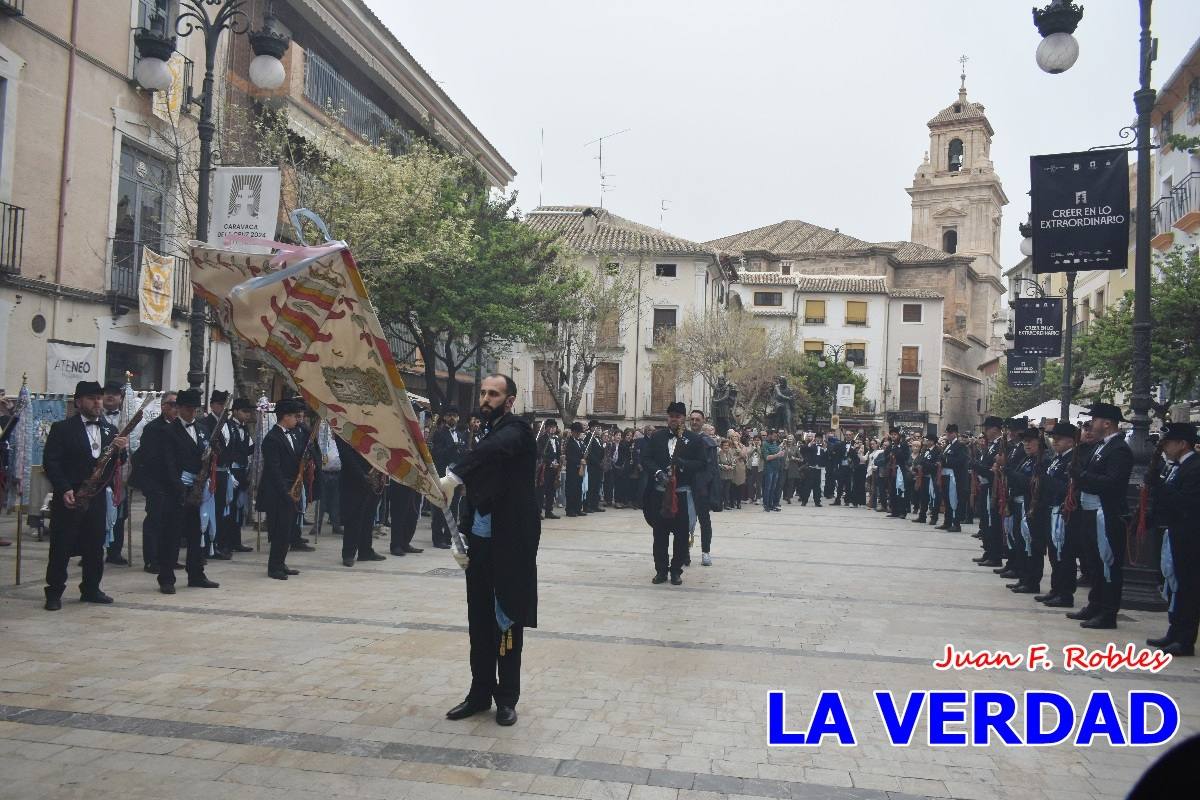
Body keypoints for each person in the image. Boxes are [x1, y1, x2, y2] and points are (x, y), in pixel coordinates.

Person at [440, 374, 540, 728]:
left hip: (510, 548)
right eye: (483, 393)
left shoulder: (517, 431)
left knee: (507, 621)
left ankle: (507, 699)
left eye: (493, 394)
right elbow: (479, 491)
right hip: (480, 546)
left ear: (509, 399)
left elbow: (493, 451)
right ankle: (479, 693)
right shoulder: (482, 434)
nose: (485, 399)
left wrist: (453, 476)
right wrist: (460, 538)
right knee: (479, 622)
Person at [41, 381, 129, 610]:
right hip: (70, 494)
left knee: (95, 544)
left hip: (97, 495)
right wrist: (64, 489)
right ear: (79, 402)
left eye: (99, 398)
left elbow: (117, 464)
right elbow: (51, 463)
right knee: (61, 545)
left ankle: (91, 588)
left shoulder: (110, 429)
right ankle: (54, 593)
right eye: (91, 398)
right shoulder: (62, 429)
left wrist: (121, 450)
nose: (97, 402)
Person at [1065, 403, 1133, 630]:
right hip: (1090, 511)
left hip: (1107, 514)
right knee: (1093, 561)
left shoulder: (1119, 449)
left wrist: (1082, 476)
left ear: (1107, 423)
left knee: (1108, 564)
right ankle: (1095, 604)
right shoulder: (1100, 447)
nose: (1090, 425)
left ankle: (1108, 612)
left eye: (1094, 420)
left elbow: (1112, 483)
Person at [158, 389, 220, 593]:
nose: (192, 412)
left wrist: (213, 455)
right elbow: (167, 463)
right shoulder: (168, 431)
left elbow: (207, 455)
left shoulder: (202, 429)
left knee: (197, 534)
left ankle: (196, 573)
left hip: (198, 488)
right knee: (172, 535)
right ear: (178, 408)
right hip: (176, 489)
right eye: (188, 409)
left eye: (195, 409)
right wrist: (179, 487)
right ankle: (166, 578)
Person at [1147, 422, 1200, 656]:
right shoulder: (1174, 466)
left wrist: (1159, 486)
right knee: (1174, 583)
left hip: (1189, 534)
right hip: (1173, 531)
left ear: (1182, 444)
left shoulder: (1195, 468)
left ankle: (1185, 637)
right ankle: (1174, 630)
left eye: (1168, 443)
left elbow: (1187, 502)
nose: (1165, 447)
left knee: (1187, 586)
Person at [641, 401, 705, 584]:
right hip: (660, 494)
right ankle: (661, 570)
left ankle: (676, 570)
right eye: (671, 416)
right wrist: (658, 472)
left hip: (682, 494)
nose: (674, 419)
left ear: (683, 418)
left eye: (677, 416)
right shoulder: (657, 437)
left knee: (682, 536)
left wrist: (682, 464)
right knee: (659, 535)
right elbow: (646, 458)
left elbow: (702, 463)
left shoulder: (693, 439)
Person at [257, 398, 305, 580]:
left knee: (287, 529)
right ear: (285, 417)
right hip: (278, 491)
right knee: (278, 530)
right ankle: (274, 566)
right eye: (294, 416)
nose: (297, 420)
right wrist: (286, 491)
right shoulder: (272, 438)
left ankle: (281, 562)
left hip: (292, 488)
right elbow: (273, 469)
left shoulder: (293, 434)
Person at [1038, 421, 1080, 608]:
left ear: (1071, 441)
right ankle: (1056, 589)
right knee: (1054, 554)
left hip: (1062, 510)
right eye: (1053, 438)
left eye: (1059, 439)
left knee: (1064, 554)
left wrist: (1046, 480)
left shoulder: (1071, 460)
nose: (1055, 442)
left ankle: (1065, 593)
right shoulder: (1058, 458)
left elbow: (1066, 487)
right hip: (1051, 508)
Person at [1005, 427, 1050, 595]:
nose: (1027, 444)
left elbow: (1031, 483)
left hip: (1032, 507)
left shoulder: (1043, 461)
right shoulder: (1027, 459)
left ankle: (1032, 582)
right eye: (1025, 441)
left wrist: (1010, 474)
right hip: (1020, 503)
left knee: (1032, 545)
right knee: (1021, 543)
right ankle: (1024, 578)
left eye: (1031, 441)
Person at [212, 397, 255, 558]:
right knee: (226, 509)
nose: (247, 415)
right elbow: (223, 450)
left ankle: (235, 541)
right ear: (235, 411)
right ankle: (223, 543)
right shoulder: (226, 427)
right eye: (244, 411)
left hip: (241, 472)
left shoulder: (244, 429)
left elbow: (249, 449)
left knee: (238, 509)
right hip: (229, 473)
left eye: (249, 412)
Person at [335, 435, 387, 567]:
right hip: (353, 480)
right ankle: (348, 554)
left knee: (368, 517)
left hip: (372, 477)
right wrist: (362, 476)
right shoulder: (343, 429)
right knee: (353, 518)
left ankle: (365, 551)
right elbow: (346, 455)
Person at [99, 380, 131, 566]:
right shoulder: (95, 417)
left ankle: (114, 551)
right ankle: (91, 549)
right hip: (99, 474)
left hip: (120, 474)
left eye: (114, 394)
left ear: (121, 398)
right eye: (107, 393)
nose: (110, 396)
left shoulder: (127, 418)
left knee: (119, 516)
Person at [430, 407, 467, 548]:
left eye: (455, 415)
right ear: (445, 418)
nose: (452, 418)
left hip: (456, 476)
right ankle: (437, 539)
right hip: (443, 474)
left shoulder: (461, 434)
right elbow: (437, 454)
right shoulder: (439, 434)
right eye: (449, 415)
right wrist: (452, 447)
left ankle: (448, 536)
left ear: (458, 418)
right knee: (441, 507)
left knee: (453, 508)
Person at [970, 417, 1005, 568]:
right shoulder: (991, 446)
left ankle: (994, 555)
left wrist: (977, 466)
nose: (985, 432)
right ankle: (988, 552)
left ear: (995, 429)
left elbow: (993, 470)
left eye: (987, 428)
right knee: (985, 521)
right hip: (985, 486)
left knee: (992, 522)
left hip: (993, 487)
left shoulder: (1000, 446)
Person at [689, 413, 721, 566]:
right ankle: (684, 551)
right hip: (685, 487)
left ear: (703, 422)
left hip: (702, 487)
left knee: (704, 521)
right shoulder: (683, 439)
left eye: (697, 420)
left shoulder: (708, 443)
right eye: (692, 419)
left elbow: (713, 468)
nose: (694, 422)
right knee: (684, 522)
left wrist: (709, 487)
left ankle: (705, 552)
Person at [938, 424, 969, 532]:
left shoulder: (960, 446)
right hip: (946, 476)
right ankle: (947, 521)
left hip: (955, 477)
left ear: (954, 433)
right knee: (947, 499)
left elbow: (961, 461)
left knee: (954, 499)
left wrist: (945, 460)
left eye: (949, 433)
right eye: (947, 433)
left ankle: (956, 523)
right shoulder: (947, 445)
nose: (947, 435)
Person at [536, 419, 561, 519]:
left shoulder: (557, 439)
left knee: (551, 490)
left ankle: (549, 511)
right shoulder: (542, 439)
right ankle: (538, 512)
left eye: (554, 427)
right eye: (550, 427)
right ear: (546, 428)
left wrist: (559, 462)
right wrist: (550, 463)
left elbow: (557, 453)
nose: (552, 429)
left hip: (554, 469)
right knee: (541, 491)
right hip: (545, 468)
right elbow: (541, 454)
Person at [913, 433, 938, 524]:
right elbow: (920, 460)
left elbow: (936, 465)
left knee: (933, 498)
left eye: (927, 440)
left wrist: (924, 465)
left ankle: (934, 517)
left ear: (932, 441)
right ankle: (922, 516)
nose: (926, 442)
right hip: (923, 476)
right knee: (923, 497)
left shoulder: (937, 451)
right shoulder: (925, 450)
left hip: (931, 477)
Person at [564, 421, 586, 517]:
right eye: (576, 432)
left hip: (580, 469)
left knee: (578, 489)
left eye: (579, 432)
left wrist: (583, 460)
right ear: (572, 432)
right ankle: (570, 509)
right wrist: (579, 461)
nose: (578, 434)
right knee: (571, 489)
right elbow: (569, 457)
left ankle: (578, 508)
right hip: (572, 469)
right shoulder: (569, 442)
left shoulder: (581, 442)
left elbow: (583, 454)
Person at [584, 419, 605, 512]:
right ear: (592, 428)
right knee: (591, 486)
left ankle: (595, 504)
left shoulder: (598, 438)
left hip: (599, 466)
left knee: (597, 486)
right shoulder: (588, 437)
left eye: (599, 428)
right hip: (592, 466)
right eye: (597, 427)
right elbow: (589, 453)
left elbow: (600, 452)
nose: (599, 429)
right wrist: (597, 462)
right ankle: (588, 505)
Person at [760, 431, 784, 512]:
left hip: (776, 468)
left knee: (773, 488)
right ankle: (766, 505)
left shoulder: (774, 443)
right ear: (769, 435)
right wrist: (778, 455)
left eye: (776, 436)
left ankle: (771, 504)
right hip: (768, 469)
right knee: (767, 488)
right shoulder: (765, 444)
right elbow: (767, 457)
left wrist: (781, 452)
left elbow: (778, 452)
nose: (775, 438)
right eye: (774, 436)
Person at [802, 433, 826, 507]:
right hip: (811, 468)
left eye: (820, 438)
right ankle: (804, 501)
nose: (818, 439)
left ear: (822, 439)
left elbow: (827, 457)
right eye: (817, 438)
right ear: (815, 439)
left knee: (817, 487)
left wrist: (825, 449)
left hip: (819, 469)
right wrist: (810, 444)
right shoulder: (812, 446)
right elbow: (803, 450)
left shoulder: (824, 447)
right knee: (808, 486)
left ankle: (817, 501)